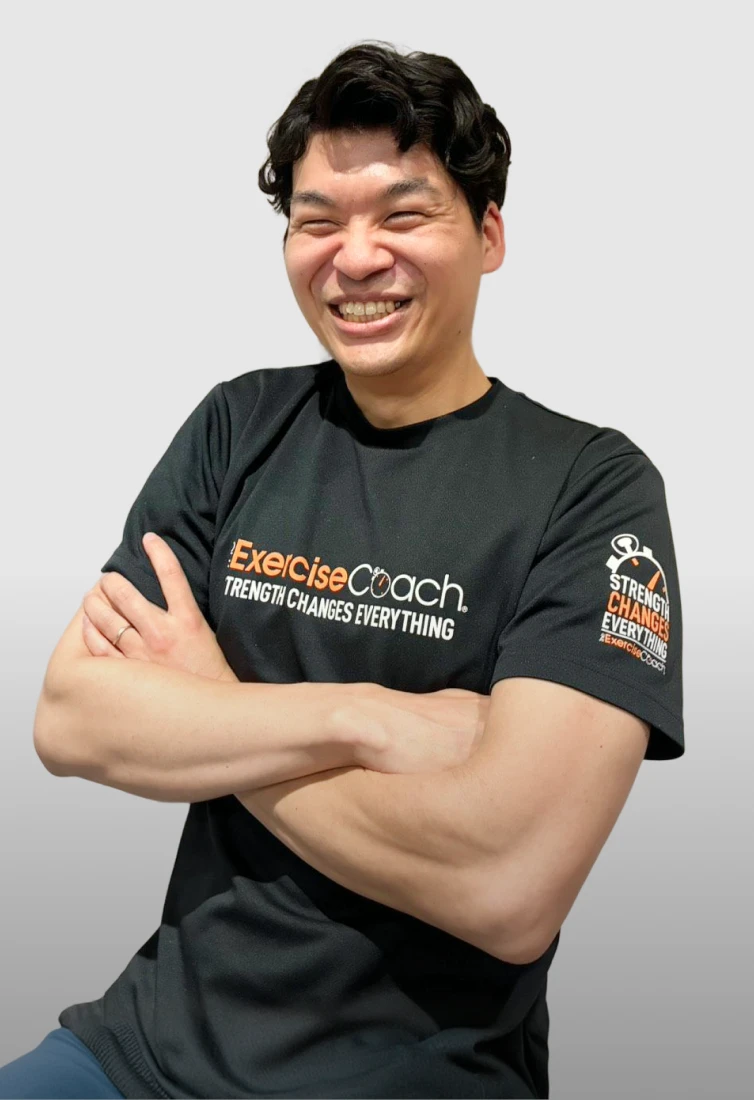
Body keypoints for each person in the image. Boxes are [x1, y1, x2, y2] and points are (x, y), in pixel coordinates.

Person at [3, 40, 684, 1100]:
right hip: (139, 1052)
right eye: (317, 221)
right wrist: (366, 716)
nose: (355, 258)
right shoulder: (238, 425)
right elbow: (72, 719)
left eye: (403, 215)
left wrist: (213, 707)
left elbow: (507, 886)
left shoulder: (591, 489)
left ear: (489, 234)